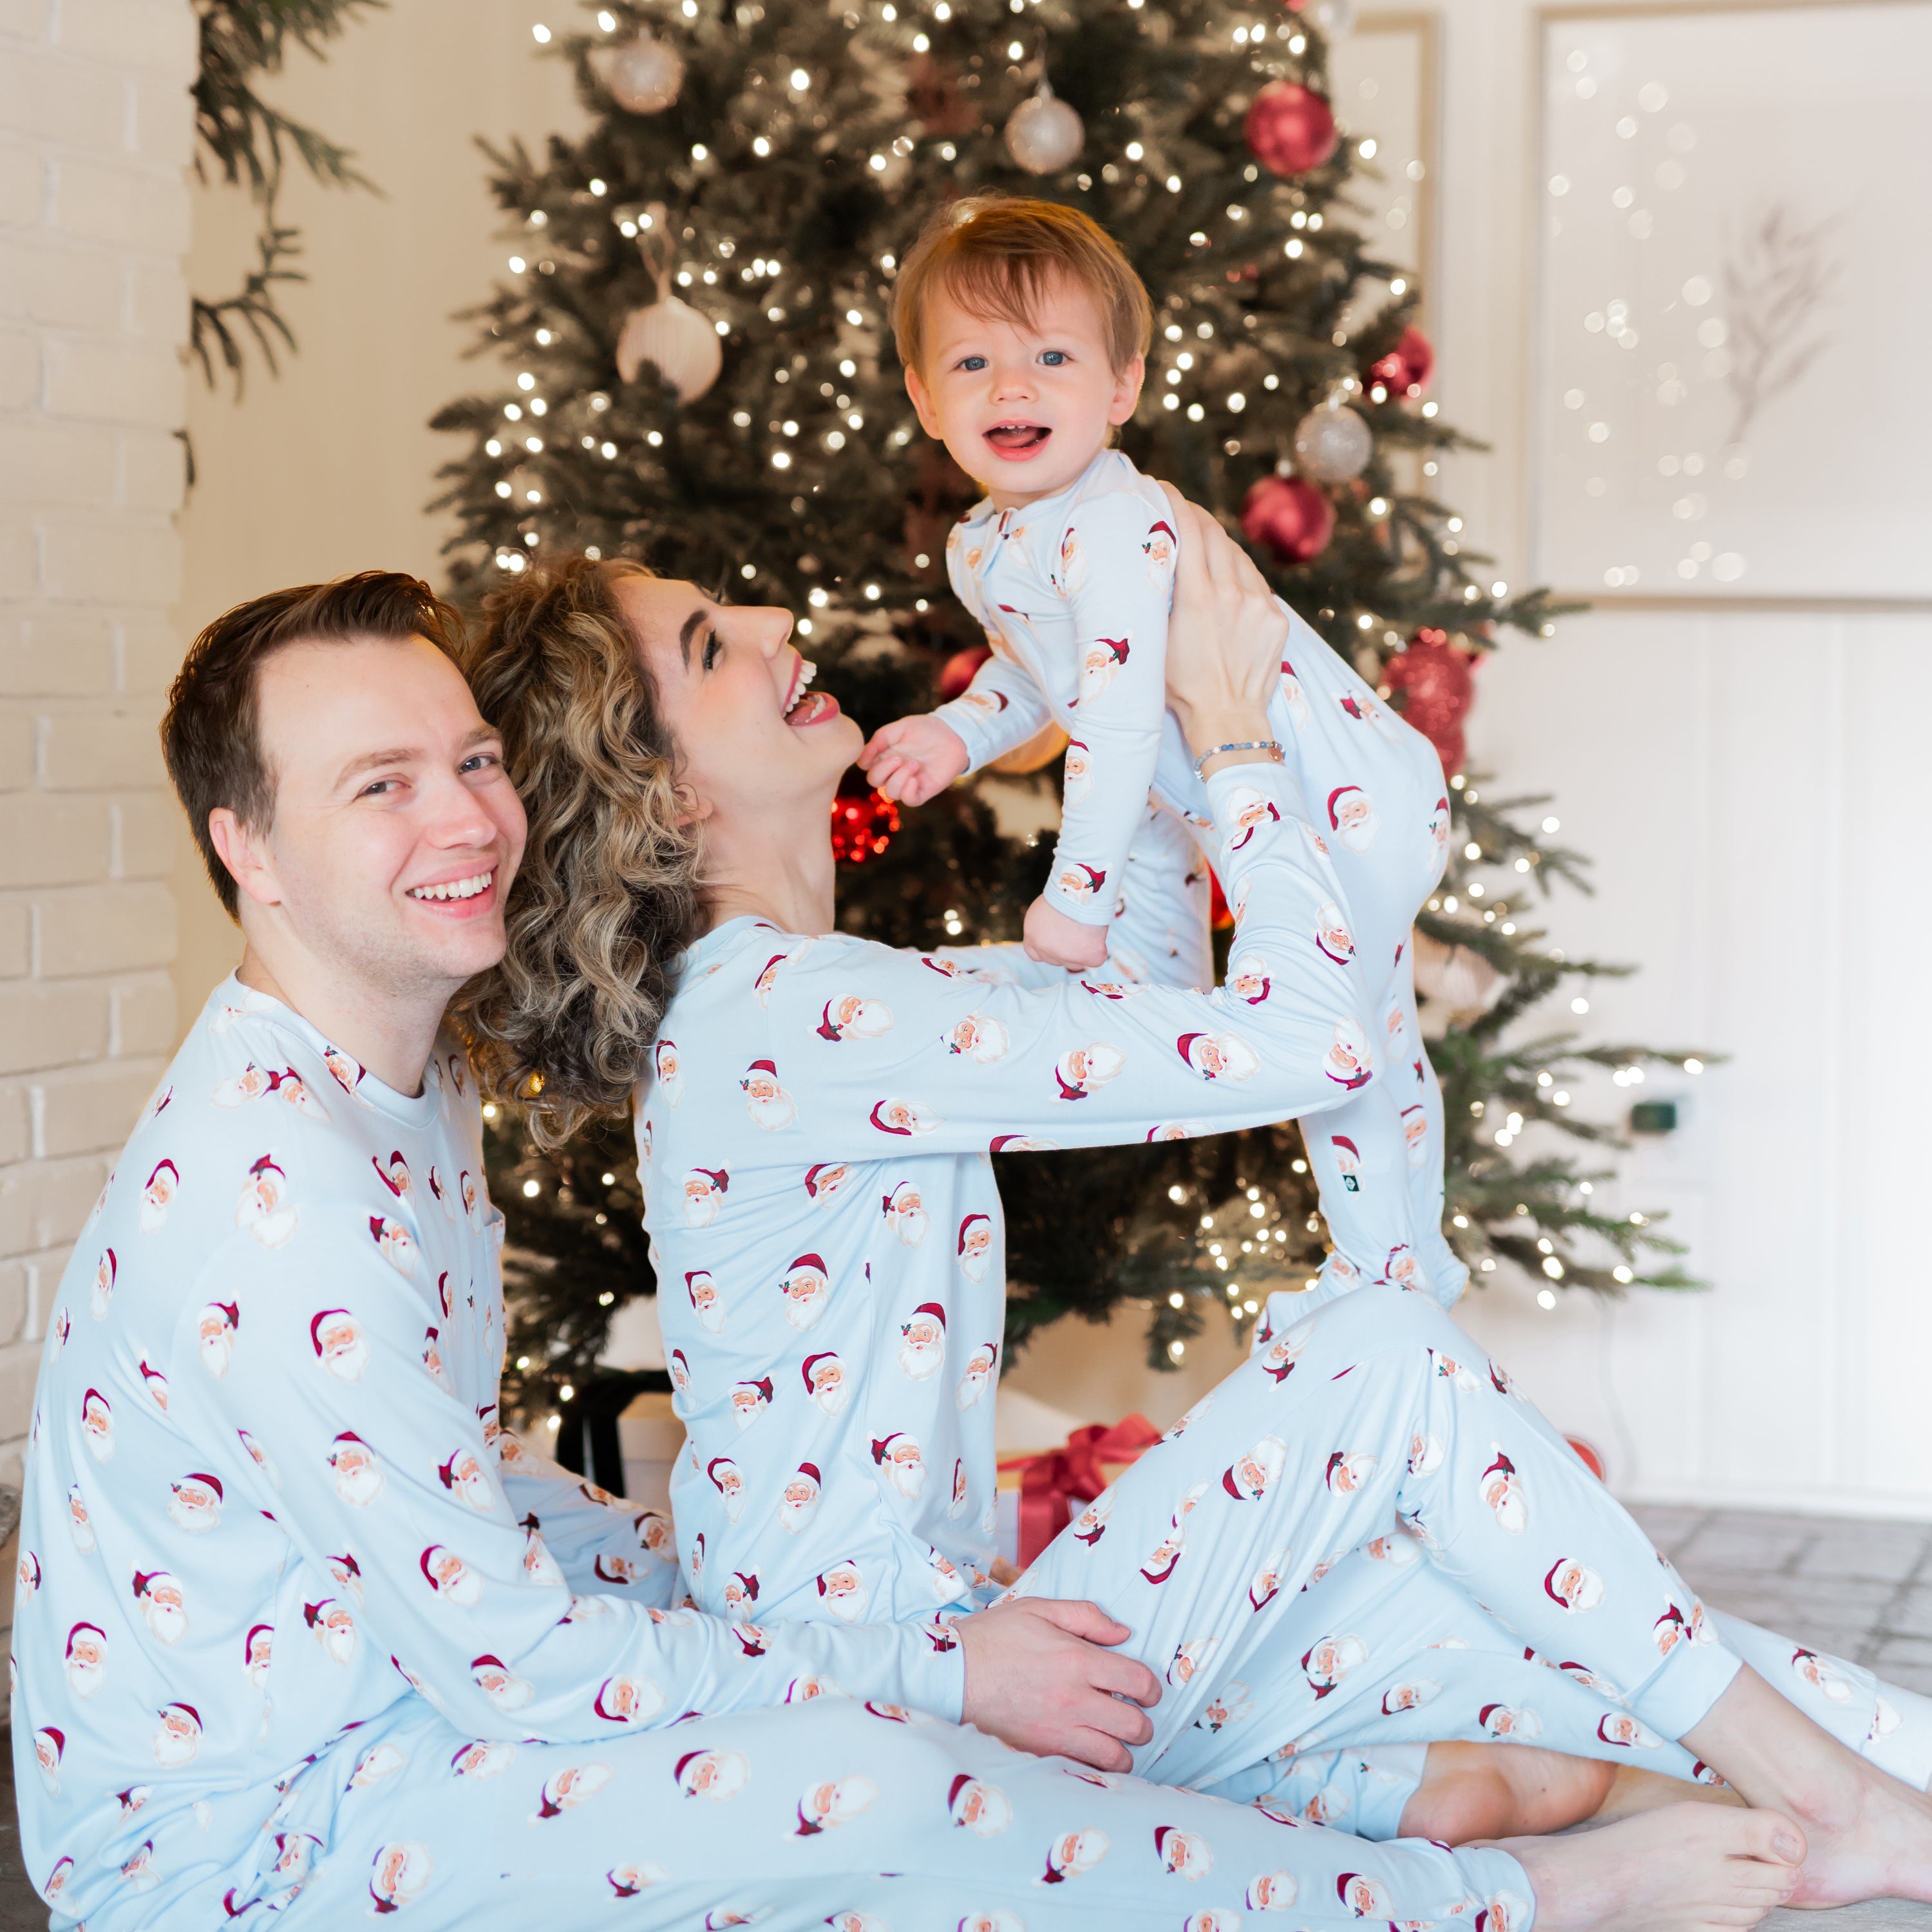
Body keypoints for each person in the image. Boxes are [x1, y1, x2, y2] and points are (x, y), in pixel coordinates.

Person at [462, 515, 1932, 1925]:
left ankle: (1867, 1797)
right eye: (715, 647)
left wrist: (1133, 724)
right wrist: (1230, 736)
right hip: (910, 1709)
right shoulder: (784, 1017)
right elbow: (1313, 1043)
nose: (779, 626)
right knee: (1382, 1363)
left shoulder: (814, 1001)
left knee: (1461, 1617)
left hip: (972, 1657)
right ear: (660, 795)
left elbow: (1143, 982)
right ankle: (1804, 1794)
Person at [13, 571, 1447, 1931]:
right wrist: (932, 1667)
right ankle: (1497, 1906)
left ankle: (1369, 1803)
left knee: (851, 1705)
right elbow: (519, 1660)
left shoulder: (397, 1076)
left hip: (386, 1712)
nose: (464, 820)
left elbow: (451, 1469)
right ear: (245, 847)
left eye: (471, 761)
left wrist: (673, 1566)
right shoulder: (279, 1205)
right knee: (871, 1774)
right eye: (380, 786)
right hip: (246, 1858)